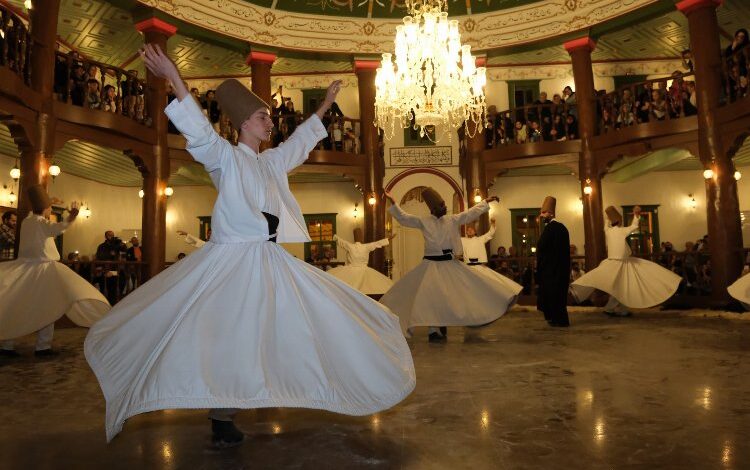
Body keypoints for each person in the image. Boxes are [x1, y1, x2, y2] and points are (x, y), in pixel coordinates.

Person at [85, 44, 415, 447]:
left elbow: (298, 142)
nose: (269, 123)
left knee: (299, 320)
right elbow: (199, 131)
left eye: (270, 118)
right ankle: (221, 412)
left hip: (268, 258)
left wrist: (326, 104)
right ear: (243, 123)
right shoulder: (225, 157)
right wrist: (173, 76)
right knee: (232, 333)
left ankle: (273, 387)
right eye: (263, 117)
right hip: (233, 261)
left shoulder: (270, 161)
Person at [380, 188, 518, 342]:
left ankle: (448, 322)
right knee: (430, 297)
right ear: (433, 209)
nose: (444, 207)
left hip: (449, 264)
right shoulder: (423, 221)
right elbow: (404, 217)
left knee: (460, 291)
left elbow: (470, 213)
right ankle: (433, 330)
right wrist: (392, 201)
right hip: (430, 265)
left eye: (444, 204)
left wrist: (485, 202)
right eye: (441, 205)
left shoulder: (452, 219)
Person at [0, 186, 110, 358]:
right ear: (45, 209)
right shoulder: (39, 223)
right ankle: (42, 346)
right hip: (42, 269)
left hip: (25, 268)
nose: (50, 209)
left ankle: (7, 344)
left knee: (18, 304)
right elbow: (58, 228)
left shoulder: (27, 221)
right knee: (49, 305)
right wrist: (72, 216)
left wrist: (52, 203)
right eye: (49, 207)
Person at [571, 206, 681, 316]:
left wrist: (608, 218)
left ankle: (619, 310)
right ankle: (612, 309)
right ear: (619, 221)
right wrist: (636, 215)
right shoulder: (621, 231)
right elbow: (634, 226)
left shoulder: (608, 231)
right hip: (621, 263)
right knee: (623, 285)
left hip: (611, 263)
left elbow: (606, 226)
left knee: (619, 286)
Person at [461, 219, 523, 301]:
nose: (469, 231)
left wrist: (493, 223)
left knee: (491, 283)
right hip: (468, 267)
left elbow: (490, 233)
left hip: (479, 266)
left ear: (475, 231)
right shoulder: (463, 240)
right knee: (470, 287)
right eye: (468, 230)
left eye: (471, 229)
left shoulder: (481, 239)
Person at [326, 228, 395, 295]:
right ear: (361, 237)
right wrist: (388, 239)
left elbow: (339, 240)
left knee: (351, 289)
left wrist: (334, 236)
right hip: (362, 271)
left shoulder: (351, 246)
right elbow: (378, 243)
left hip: (351, 272)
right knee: (367, 289)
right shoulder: (366, 246)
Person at [536, 196, 571, 327]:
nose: (541, 216)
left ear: (551, 214)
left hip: (551, 269)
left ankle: (557, 319)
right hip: (558, 269)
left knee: (553, 294)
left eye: (544, 213)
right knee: (557, 295)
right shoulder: (560, 228)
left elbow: (543, 246)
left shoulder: (553, 228)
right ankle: (556, 318)